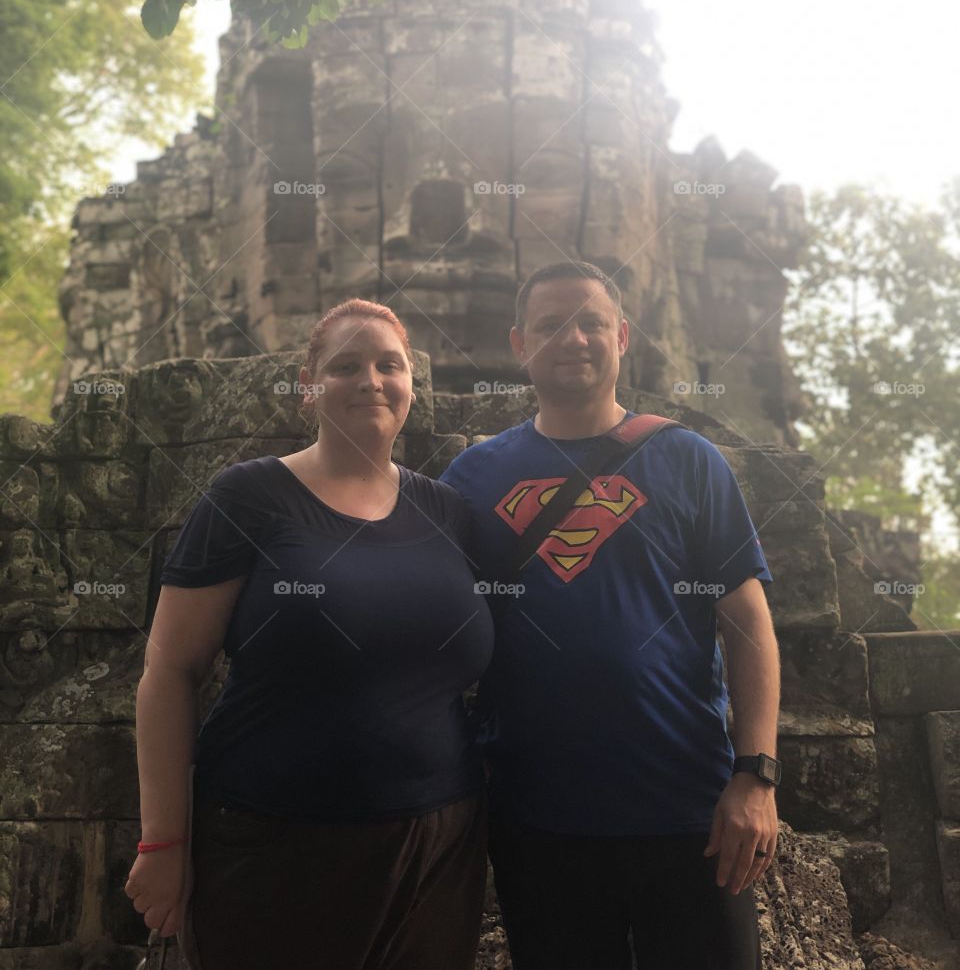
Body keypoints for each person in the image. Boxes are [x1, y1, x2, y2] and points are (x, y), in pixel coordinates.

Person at [125, 299, 494, 970]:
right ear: (308, 387)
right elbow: (170, 671)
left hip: (438, 847)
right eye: (345, 366)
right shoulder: (250, 498)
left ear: (413, 383)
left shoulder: (448, 511)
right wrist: (162, 842)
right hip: (273, 845)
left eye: (390, 365)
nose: (371, 381)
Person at [439, 261, 781, 970]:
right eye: (550, 326)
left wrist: (756, 775)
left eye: (592, 322)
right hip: (538, 817)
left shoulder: (687, 460)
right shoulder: (472, 478)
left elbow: (748, 620)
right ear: (518, 343)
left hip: (689, 808)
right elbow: (425, 621)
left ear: (622, 336)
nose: (574, 339)